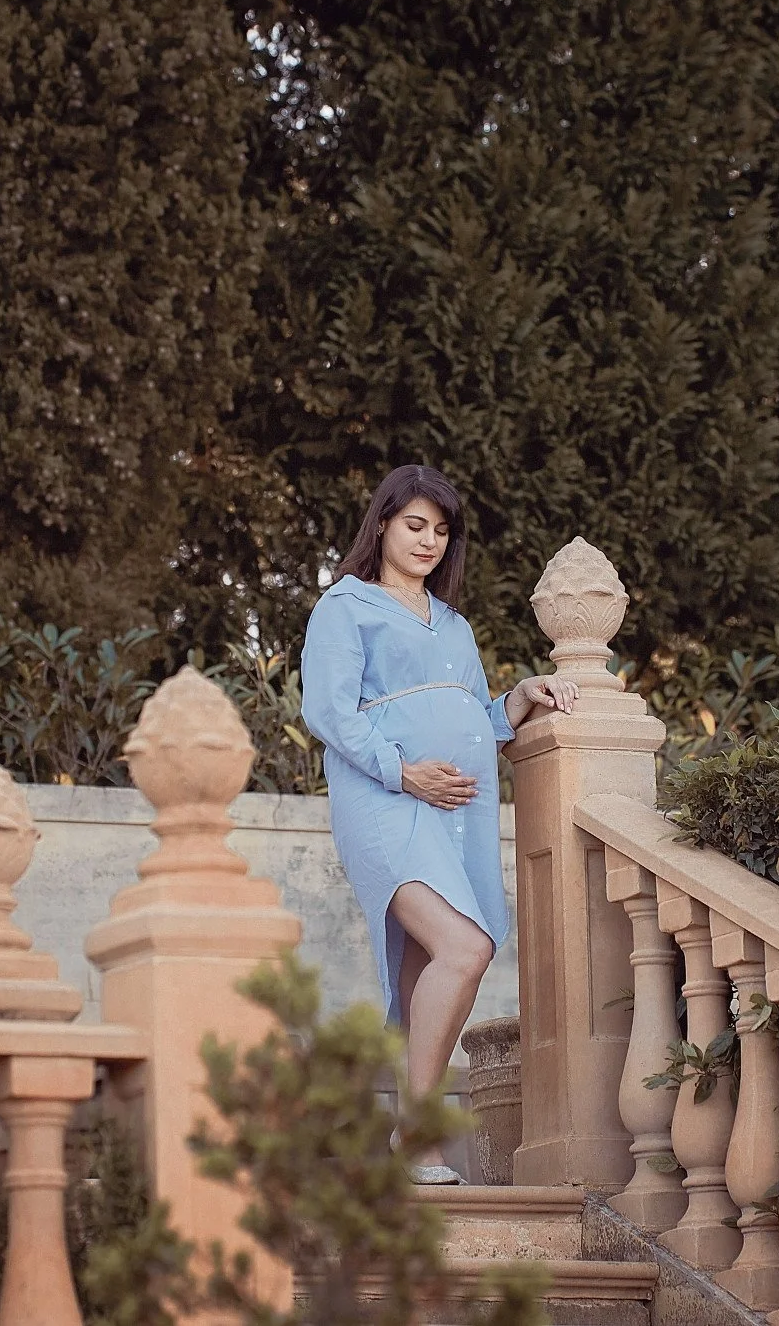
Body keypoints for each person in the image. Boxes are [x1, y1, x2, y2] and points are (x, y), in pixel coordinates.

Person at [300, 465, 579, 1184]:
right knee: (466, 945)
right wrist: (402, 770)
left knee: (438, 961)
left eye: (441, 530)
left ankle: (410, 1141)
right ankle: (415, 1134)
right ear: (384, 524)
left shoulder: (453, 626)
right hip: (384, 801)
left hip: (455, 815)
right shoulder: (346, 606)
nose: (427, 540)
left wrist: (520, 696)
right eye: (414, 524)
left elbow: (474, 719)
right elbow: (327, 713)